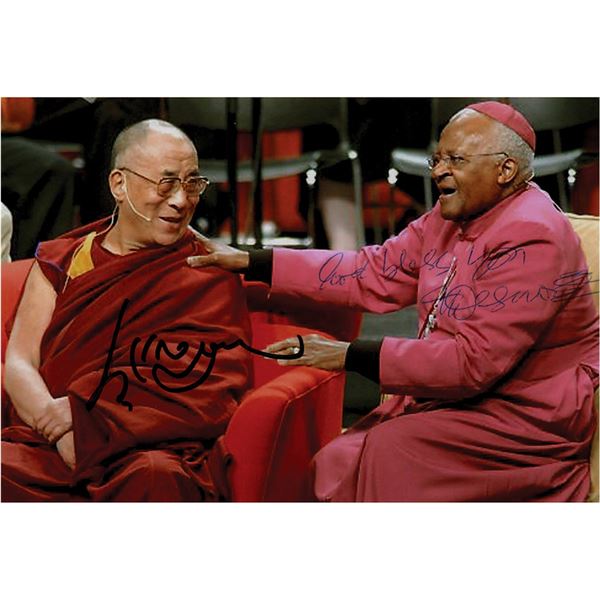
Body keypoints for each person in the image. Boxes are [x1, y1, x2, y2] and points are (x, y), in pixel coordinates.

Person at [188, 101, 599, 501]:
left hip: (524, 412)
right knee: (334, 461)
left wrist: (348, 355)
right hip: (458, 398)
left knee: (387, 452)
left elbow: (473, 363)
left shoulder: (533, 234)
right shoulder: (451, 214)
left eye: (455, 160)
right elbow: (374, 271)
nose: (438, 171)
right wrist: (253, 260)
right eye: (437, 158)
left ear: (505, 169)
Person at [2, 119, 252, 502]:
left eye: (192, 183)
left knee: (156, 475)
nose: (181, 200)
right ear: (119, 184)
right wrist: (60, 428)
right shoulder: (65, 259)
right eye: (166, 183)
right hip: (49, 443)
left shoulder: (208, 269)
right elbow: (20, 360)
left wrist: (87, 418)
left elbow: (210, 388)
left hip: (144, 448)